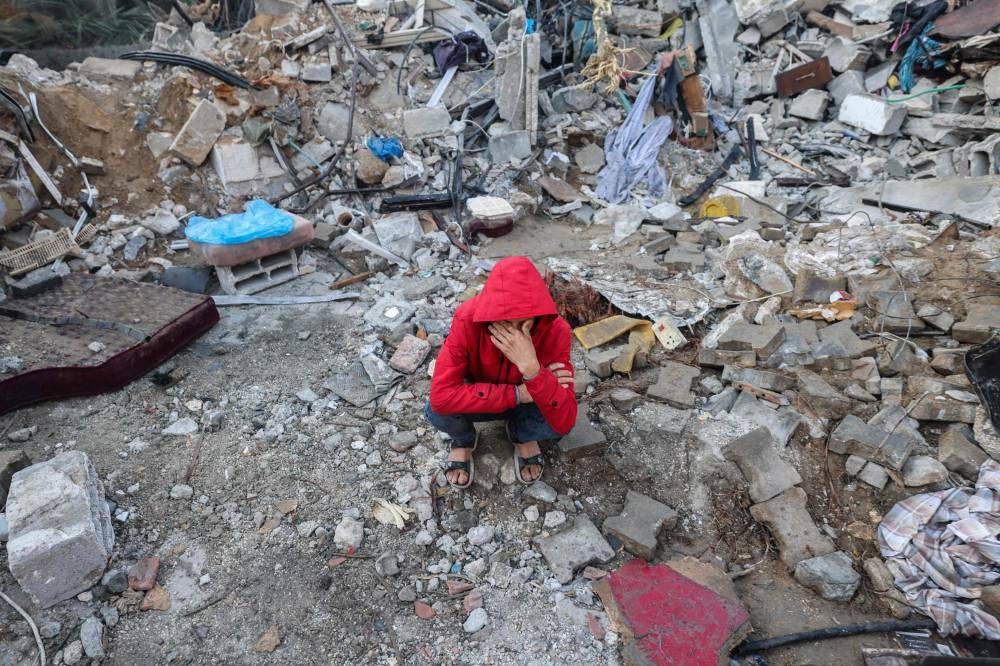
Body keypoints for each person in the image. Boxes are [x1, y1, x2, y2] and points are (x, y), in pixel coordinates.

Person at [426, 256, 578, 488]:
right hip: (493, 392)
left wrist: (533, 369)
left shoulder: (557, 331)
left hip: (524, 397)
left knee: (554, 422)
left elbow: (565, 420)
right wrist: (517, 394)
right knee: (435, 412)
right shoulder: (467, 318)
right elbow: (440, 397)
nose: (514, 336)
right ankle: (464, 440)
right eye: (504, 323)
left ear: (537, 316)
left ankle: (521, 434)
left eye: (523, 325)